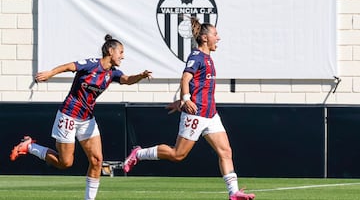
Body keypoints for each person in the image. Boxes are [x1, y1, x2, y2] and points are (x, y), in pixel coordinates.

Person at [122, 17, 255, 200]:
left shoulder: (208, 58)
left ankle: (234, 193)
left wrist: (182, 100)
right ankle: (139, 153)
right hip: (196, 114)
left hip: (211, 114)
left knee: (225, 151)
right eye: (215, 34)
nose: (219, 38)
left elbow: (198, 86)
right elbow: (185, 78)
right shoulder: (196, 56)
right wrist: (185, 99)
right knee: (178, 155)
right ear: (205, 38)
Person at [10, 34, 152, 200]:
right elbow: (70, 66)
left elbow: (127, 80)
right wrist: (50, 73)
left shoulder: (112, 73)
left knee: (97, 160)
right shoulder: (92, 64)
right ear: (110, 51)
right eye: (121, 52)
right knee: (65, 163)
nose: (123, 56)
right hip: (69, 116)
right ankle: (30, 147)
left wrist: (140, 76)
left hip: (87, 120)